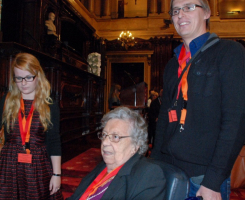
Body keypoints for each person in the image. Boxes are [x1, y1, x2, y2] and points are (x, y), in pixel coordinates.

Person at [151, 0, 245, 200]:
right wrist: (155, 165)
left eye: (189, 7)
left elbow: (236, 122)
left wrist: (213, 180)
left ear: (207, 13)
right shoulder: (171, 64)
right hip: (168, 169)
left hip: (203, 177)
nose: (180, 14)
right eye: (176, 10)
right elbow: (164, 120)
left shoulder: (230, 53)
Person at [0, 53, 63, 199]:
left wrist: (56, 174)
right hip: (9, 164)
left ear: (38, 75)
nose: (23, 83)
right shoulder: (7, 101)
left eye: (28, 77)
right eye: (18, 78)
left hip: (37, 164)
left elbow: (54, 141)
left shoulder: (49, 105)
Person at [68, 107, 166, 200]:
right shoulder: (102, 166)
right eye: (104, 135)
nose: (105, 142)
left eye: (115, 137)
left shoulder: (149, 174)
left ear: (135, 145)